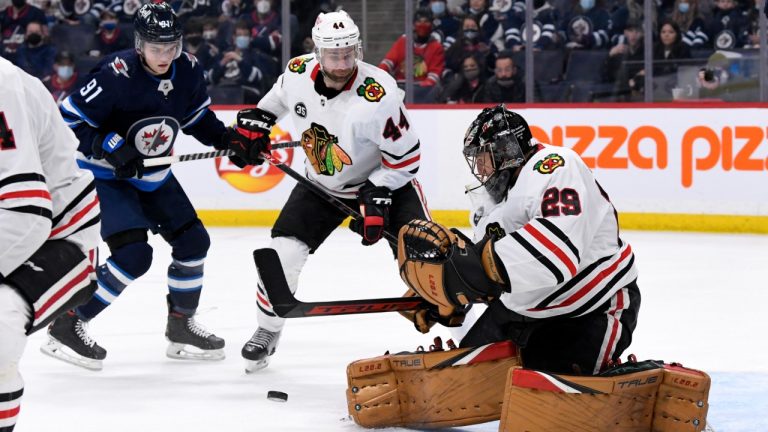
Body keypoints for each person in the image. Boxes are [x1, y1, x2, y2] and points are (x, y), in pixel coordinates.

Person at [42, 2, 245, 371]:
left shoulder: (188, 70)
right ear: (139, 44)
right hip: (106, 177)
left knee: (194, 242)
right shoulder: (115, 74)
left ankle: (181, 325)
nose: (166, 55)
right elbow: (69, 119)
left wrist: (228, 140)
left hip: (153, 176)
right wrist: (112, 147)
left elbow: (196, 118)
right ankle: (68, 323)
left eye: (172, 46)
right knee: (133, 257)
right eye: (157, 47)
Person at [229, 10, 430, 372]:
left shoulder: (379, 93)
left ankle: (449, 319)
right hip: (321, 185)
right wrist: (257, 124)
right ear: (317, 53)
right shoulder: (296, 73)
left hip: (384, 184)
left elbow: (408, 159)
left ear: (359, 49)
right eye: (334, 54)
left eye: (349, 52)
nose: (342, 62)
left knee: (427, 252)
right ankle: (267, 329)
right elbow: (273, 103)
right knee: (283, 254)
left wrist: (379, 192)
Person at [397, 105, 640, 375]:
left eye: (484, 157)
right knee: (461, 382)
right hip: (522, 310)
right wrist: (446, 290)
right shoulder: (490, 201)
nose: (479, 167)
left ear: (506, 150)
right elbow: (484, 264)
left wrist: (469, 275)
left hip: (589, 306)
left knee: (545, 400)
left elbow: (555, 255)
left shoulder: (556, 166)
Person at [0, 56, 101, 431]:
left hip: (63, 237)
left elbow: (27, 212)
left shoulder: (2, 84)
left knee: (0, 322)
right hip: (13, 224)